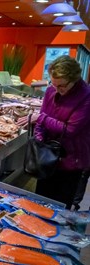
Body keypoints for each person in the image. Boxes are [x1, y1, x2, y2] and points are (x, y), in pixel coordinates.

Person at [34, 55, 90, 209]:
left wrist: (41, 119)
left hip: (71, 159)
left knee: (60, 207)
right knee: (40, 202)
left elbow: (70, 130)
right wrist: (39, 139)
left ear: (75, 80)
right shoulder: (52, 90)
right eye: (54, 84)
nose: (57, 90)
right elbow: (42, 117)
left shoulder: (86, 96)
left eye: (62, 86)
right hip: (48, 157)